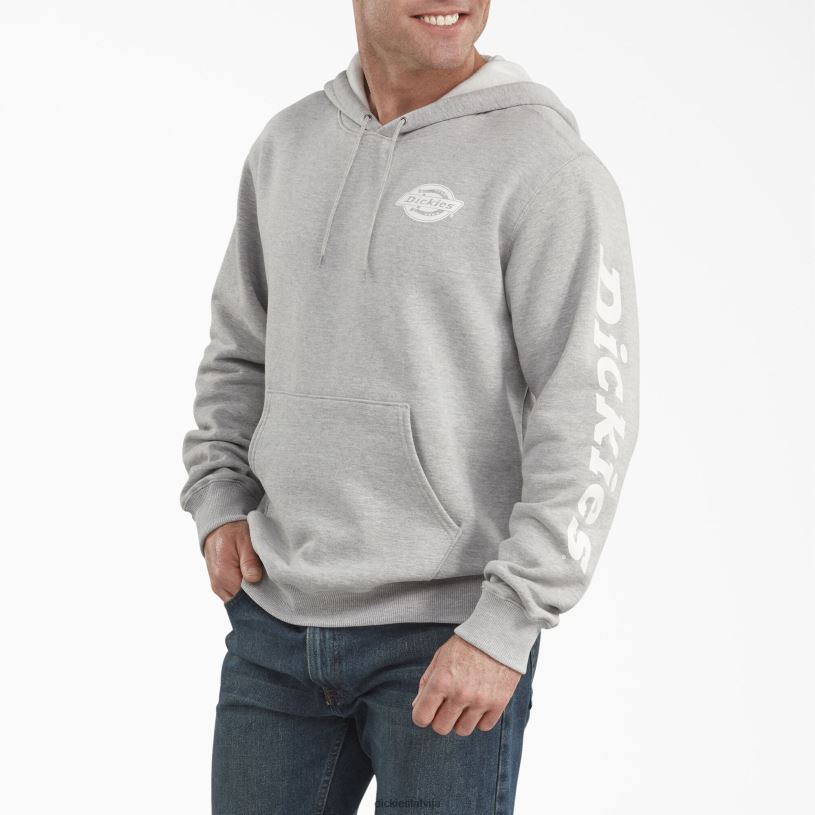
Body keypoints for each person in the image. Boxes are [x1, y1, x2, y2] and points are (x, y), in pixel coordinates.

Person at [179, 1, 640, 812]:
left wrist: (507, 622)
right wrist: (218, 497)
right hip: (275, 624)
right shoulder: (287, 146)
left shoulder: (544, 165)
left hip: (449, 634)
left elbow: (590, 407)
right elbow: (240, 348)